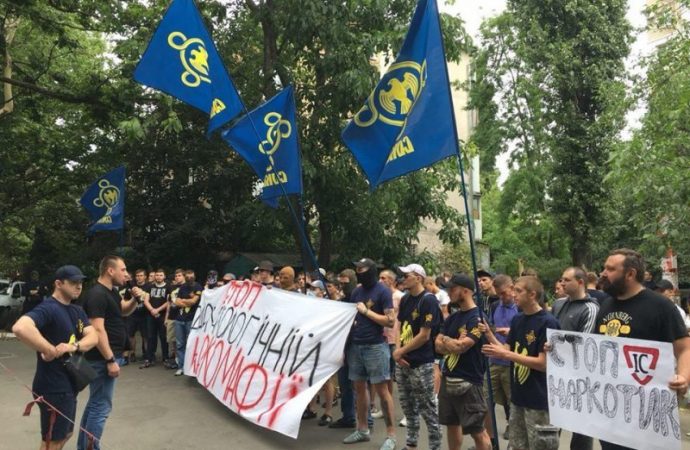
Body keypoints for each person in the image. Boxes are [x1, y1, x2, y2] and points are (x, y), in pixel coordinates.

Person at [595, 249, 690, 450]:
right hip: (611, 413)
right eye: (605, 268)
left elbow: (684, 349)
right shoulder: (605, 306)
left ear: (630, 274)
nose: (603, 273)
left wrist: (683, 377)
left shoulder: (661, 306)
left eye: (610, 269)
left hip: (648, 416)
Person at [13, 265, 98, 450]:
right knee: (52, 441)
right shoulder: (49, 308)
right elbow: (21, 327)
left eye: (81, 282)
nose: (79, 286)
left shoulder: (77, 311)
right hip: (53, 386)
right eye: (74, 282)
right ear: (58, 284)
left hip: (69, 384)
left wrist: (73, 346)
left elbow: (94, 336)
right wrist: (50, 349)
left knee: (65, 434)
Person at [480, 276, 560, 450]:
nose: (514, 294)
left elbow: (542, 363)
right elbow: (506, 348)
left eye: (518, 290)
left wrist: (506, 354)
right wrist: (489, 335)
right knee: (517, 445)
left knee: (540, 446)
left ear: (532, 295)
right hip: (518, 398)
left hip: (539, 400)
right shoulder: (518, 319)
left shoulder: (548, 322)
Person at [78, 256, 140, 450]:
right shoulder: (97, 294)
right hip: (102, 359)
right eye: (123, 269)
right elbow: (97, 330)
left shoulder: (111, 292)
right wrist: (110, 359)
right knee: (101, 407)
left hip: (106, 357)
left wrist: (135, 300)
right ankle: (90, 447)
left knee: (95, 404)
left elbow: (123, 310)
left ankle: (84, 447)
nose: (127, 274)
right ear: (110, 271)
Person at [342, 258, 397, 450]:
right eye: (356, 268)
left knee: (382, 391)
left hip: (375, 347)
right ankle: (363, 429)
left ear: (371, 270)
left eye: (362, 268)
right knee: (359, 389)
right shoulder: (356, 291)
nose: (358, 271)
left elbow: (390, 321)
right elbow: (351, 316)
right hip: (356, 346)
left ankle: (391, 435)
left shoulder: (383, 291)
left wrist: (366, 312)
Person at [435, 273, 491, 450]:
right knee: (452, 425)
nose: (449, 292)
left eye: (453, 289)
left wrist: (447, 341)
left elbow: (462, 347)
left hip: (469, 382)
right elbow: (437, 345)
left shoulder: (477, 318)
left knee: (477, 431)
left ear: (466, 291)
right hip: (448, 378)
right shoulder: (453, 317)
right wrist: (449, 342)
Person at [394, 264, 442, 450]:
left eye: (407, 275)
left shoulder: (428, 300)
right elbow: (399, 325)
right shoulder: (406, 299)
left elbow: (424, 335)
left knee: (428, 408)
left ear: (419, 278)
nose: (403, 278)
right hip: (403, 360)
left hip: (421, 362)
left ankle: (435, 446)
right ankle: (411, 444)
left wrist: (401, 351)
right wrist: (398, 351)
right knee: (408, 406)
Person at [551, 267, 599, 450]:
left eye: (566, 280)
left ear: (580, 282)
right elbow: (550, 331)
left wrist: (555, 344)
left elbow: (583, 343)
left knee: (581, 428)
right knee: (552, 425)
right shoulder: (558, 304)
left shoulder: (591, 308)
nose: (562, 283)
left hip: (581, 378)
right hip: (556, 374)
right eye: (561, 279)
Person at [483, 274, 519, 442]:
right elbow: (491, 325)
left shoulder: (520, 307)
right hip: (494, 361)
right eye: (499, 294)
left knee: (512, 402)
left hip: (512, 361)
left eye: (504, 293)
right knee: (485, 400)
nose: (502, 297)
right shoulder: (496, 305)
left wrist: (510, 332)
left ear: (512, 288)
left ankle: (514, 435)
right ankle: (490, 440)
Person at [330, 269, 360, 430]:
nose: (342, 284)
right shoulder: (343, 300)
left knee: (358, 383)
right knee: (344, 383)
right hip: (343, 345)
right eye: (340, 281)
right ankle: (348, 416)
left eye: (345, 281)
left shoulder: (358, 298)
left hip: (355, 345)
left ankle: (362, 419)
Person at [377, 269, 404, 421]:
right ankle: (386, 408)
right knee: (385, 376)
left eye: (384, 278)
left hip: (396, 340)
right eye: (379, 278)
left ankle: (408, 414)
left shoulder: (399, 296)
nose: (380, 281)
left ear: (392, 281)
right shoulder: (380, 295)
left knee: (400, 377)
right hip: (382, 339)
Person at [173, 270, 202, 376]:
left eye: (191, 276)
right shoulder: (182, 287)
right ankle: (181, 367)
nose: (190, 278)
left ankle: (191, 367)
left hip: (191, 320)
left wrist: (183, 301)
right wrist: (187, 301)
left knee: (191, 344)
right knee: (180, 344)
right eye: (188, 276)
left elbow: (194, 301)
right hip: (179, 319)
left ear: (194, 276)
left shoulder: (198, 286)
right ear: (185, 277)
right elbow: (176, 301)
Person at [141, 269, 170, 369]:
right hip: (151, 315)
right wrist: (152, 310)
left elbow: (169, 302)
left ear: (164, 276)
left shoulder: (168, 287)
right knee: (150, 337)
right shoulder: (150, 286)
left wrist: (158, 309)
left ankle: (165, 358)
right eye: (157, 275)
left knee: (163, 337)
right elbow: (146, 300)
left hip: (162, 315)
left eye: (161, 275)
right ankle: (149, 359)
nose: (158, 277)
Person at [125, 269, 150, 363]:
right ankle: (132, 354)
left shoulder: (149, 286)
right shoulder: (131, 287)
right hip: (132, 314)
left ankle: (147, 354)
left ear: (145, 277)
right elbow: (125, 300)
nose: (139, 277)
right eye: (137, 276)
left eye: (141, 275)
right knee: (131, 335)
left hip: (145, 314)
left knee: (145, 336)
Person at [163, 269, 185, 370]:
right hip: (172, 316)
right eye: (176, 276)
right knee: (173, 340)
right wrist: (166, 318)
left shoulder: (187, 287)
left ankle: (184, 361)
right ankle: (177, 359)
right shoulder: (171, 288)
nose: (177, 277)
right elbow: (169, 304)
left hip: (183, 317)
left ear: (184, 276)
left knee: (183, 341)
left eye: (179, 275)